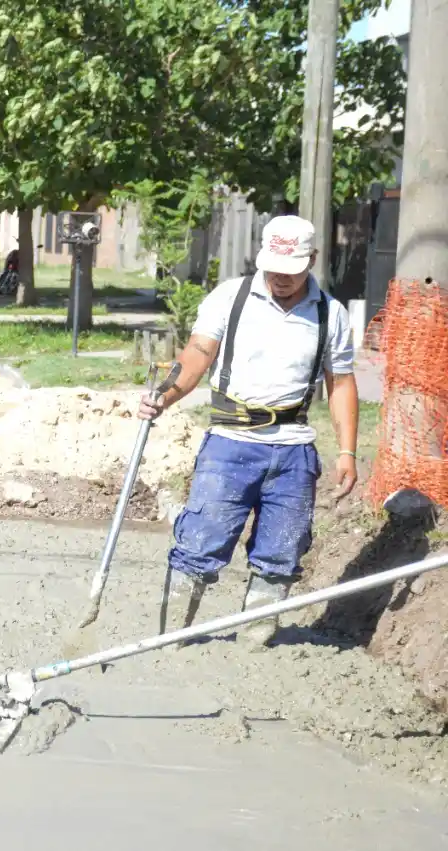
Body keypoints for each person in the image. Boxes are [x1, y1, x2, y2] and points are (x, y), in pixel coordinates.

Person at [138, 215, 360, 646]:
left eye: (291, 269)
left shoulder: (329, 313)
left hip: (293, 450)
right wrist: (164, 396)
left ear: (312, 260)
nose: (280, 277)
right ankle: (172, 636)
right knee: (201, 541)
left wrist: (348, 452)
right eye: (273, 267)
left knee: (282, 551)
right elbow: (197, 353)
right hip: (230, 444)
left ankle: (257, 639)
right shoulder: (230, 297)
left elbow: (342, 383)